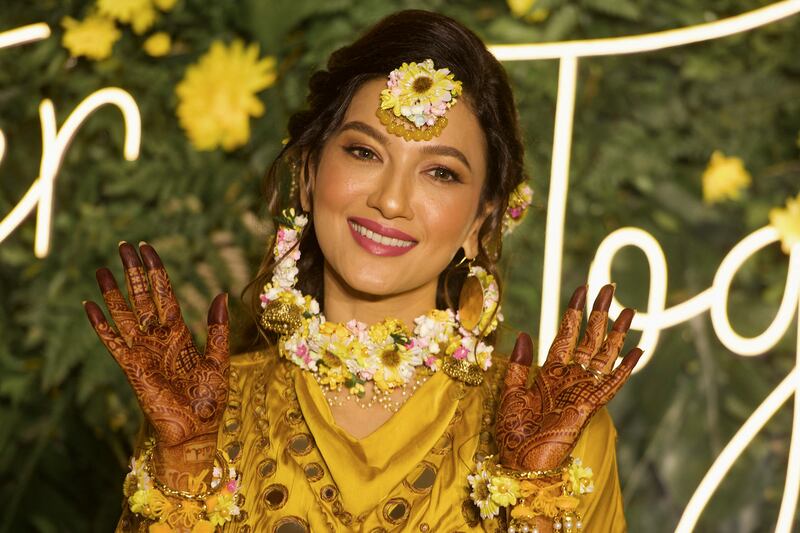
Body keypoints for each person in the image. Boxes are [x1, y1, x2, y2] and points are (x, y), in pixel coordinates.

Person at [83, 10, 642, 533]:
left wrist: (534, 504)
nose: (392, 201)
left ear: (482, 218)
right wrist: (182, 477)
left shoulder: (554, 434)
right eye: (364, 152)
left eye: (441, 173)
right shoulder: (202, 413)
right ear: (308, 175)